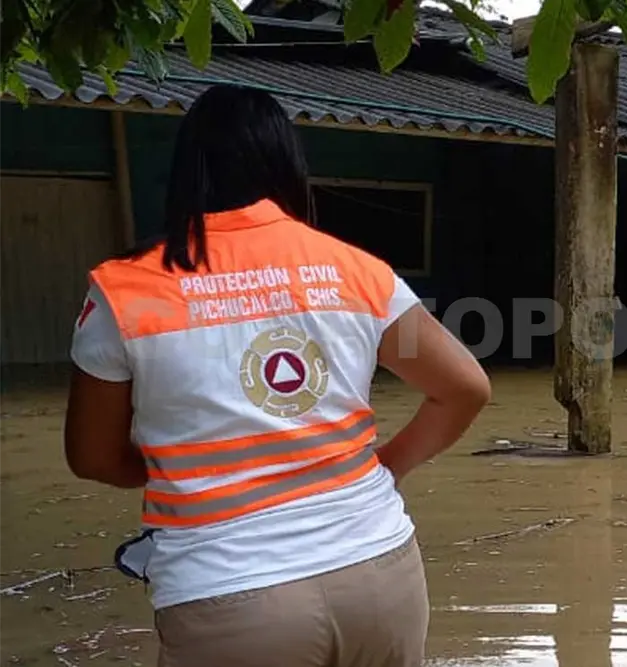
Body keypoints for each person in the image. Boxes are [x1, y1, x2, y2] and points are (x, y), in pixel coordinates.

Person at [63, 84, 490, 667]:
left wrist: (188, 468)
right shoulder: (360, 274)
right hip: (380, 574)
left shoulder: (126, 292)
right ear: (289, 167)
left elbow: (92, 457)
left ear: (188, 170)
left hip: (228, 593)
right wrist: (385, 468)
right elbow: (464, 387)